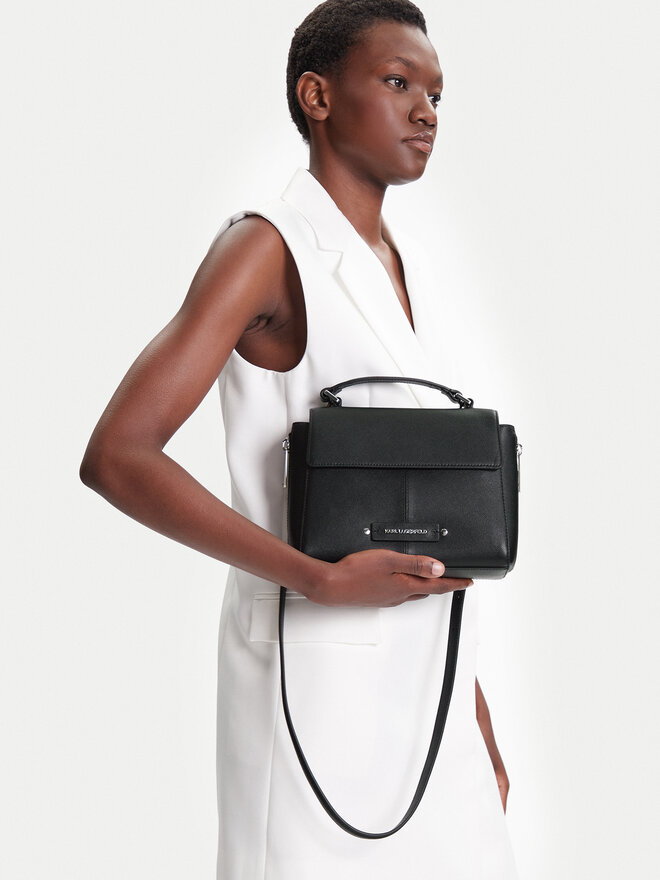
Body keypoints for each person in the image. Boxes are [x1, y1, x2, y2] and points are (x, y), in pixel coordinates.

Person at [80, 0, 519, 876]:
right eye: (398, 82)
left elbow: (423, 506)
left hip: (430, 696)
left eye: (437, 94)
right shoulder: (266, 247)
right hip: (313, 686)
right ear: (316, 96)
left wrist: (472, 715)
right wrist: (315, 578)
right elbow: (118, 455)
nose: (426, 111)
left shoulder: (412, 268)